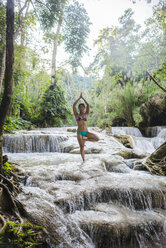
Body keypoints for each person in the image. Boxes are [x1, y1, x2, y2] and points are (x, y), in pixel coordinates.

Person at [73, 93, 99, 162]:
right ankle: (84, 160)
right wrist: (79, 98)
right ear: (78, 108)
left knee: (97, 138)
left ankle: (85, 139)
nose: (81, 108)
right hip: (79, 133)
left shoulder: (86, 114)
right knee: (82, 147)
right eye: (80, 107)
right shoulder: (76, 115)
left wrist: (83, 98)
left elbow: (88, 105)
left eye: (82, 107)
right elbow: (74, 105)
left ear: (84, 108)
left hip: (86, 132)